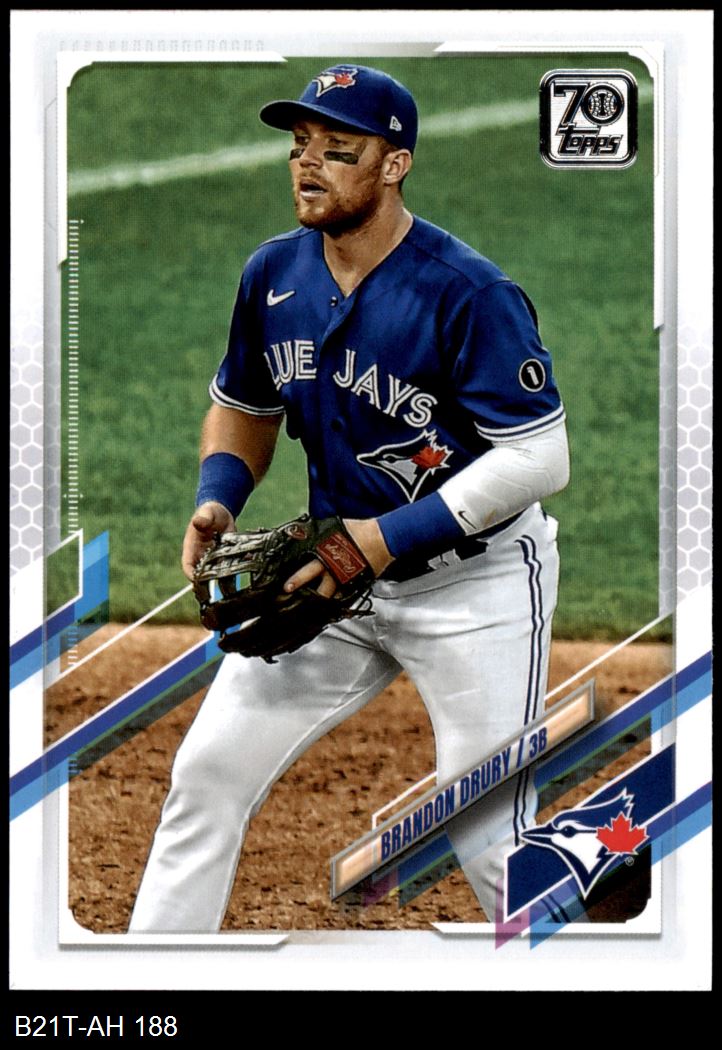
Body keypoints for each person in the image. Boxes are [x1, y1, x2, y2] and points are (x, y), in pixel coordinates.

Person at [129, 64, 570, 932]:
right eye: (301, 145)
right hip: (334, 576)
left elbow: (539, 456)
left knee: (487, 831)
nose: (308, 163)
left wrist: (384, 537)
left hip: (474, 588)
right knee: (206, 776)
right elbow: (245, 404)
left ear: (394, 165)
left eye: (339, 148)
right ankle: (149, 979)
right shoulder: (273, 274)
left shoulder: (468, 293)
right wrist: (218, 496)